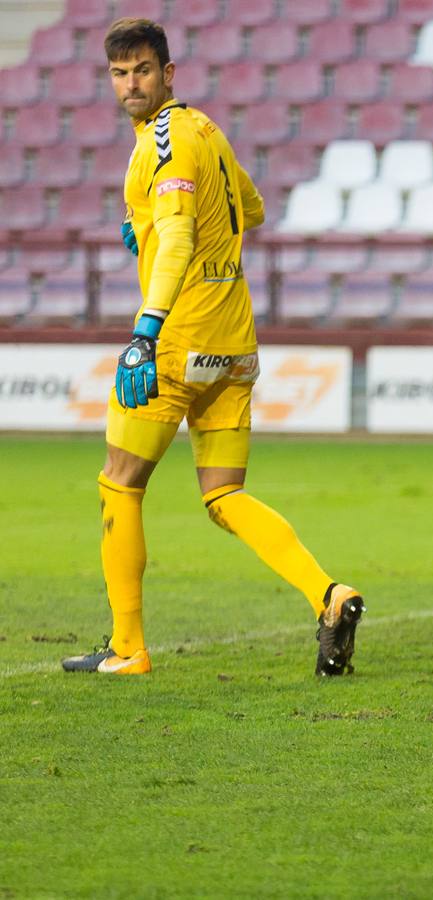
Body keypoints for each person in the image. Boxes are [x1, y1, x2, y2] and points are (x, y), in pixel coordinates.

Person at [61, 18, 365, 677]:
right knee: (224, 494)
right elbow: (248, 210)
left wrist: (146, 328)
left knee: (119, 482)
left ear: (167, 74)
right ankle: (329, 594)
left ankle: (127, 648)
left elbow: (177, 238)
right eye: (119, 72)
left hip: (176, 342)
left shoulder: (162, 142)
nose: (130, 83)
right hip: (234, 345)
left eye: (142, 70)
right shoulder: (207, 131)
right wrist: (148, 225)